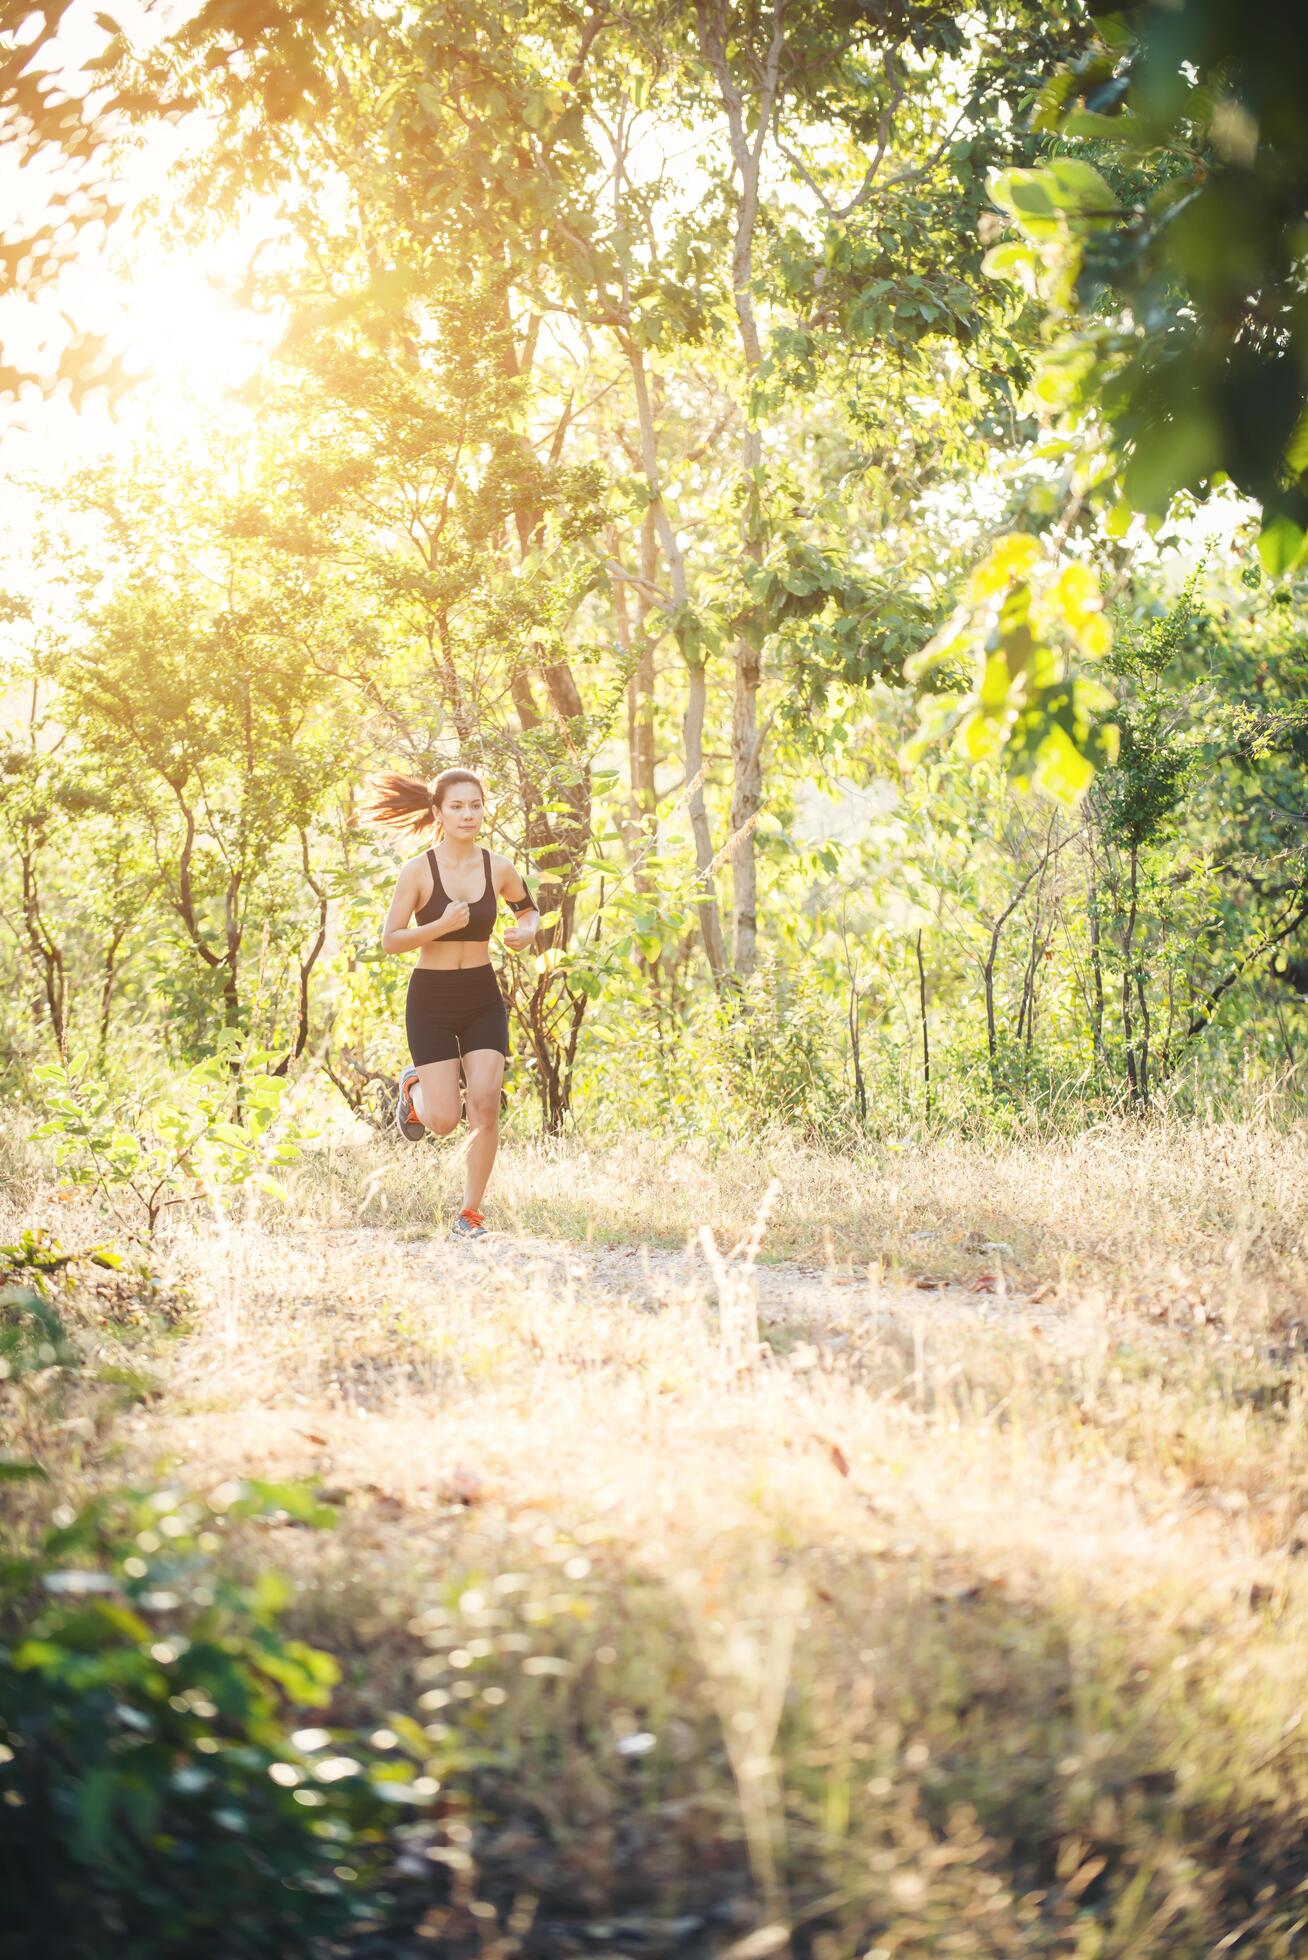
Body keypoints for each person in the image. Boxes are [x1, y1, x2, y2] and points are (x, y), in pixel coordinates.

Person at [366, 767, 539, 1240]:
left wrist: (526, 931)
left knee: (484, 1106)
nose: (468, 814)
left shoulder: (497, 867)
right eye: (457, 806)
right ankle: (414, 1088)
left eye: (476, 805)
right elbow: (391, 941)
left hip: (482, 996)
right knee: (443, 1122)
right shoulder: (418, 871)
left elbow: (528, 909)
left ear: (485, 808)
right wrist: (439, 926)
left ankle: (470, 1214)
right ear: (438, 813)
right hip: (432, 1000)